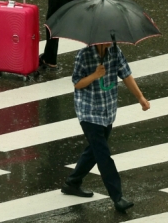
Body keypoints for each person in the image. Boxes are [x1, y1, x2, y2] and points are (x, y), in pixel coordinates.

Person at [61, 42, 150, 213]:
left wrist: (140, 98)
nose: (110, 40)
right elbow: (77, 83)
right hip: (88, 111)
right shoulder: (83, 55)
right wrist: (95, 74)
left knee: (95, 150)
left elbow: (126, 75)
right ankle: (117, 197)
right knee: (103, 155)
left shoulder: (115, 51)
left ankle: (72, 182)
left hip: (107, 110)